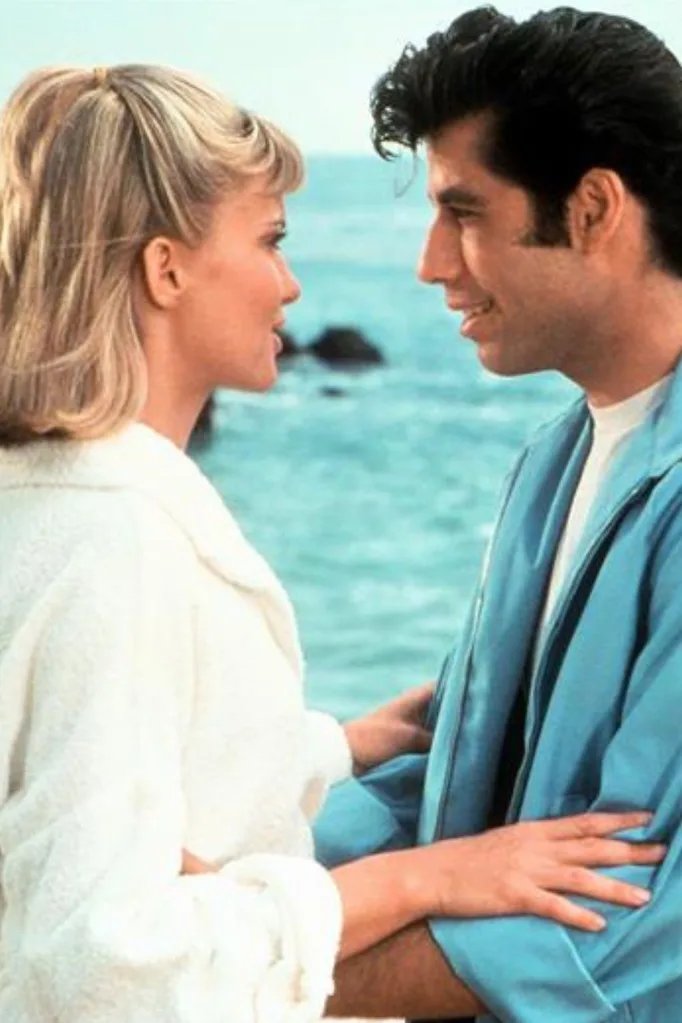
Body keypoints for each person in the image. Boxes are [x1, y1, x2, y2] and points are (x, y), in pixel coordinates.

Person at [0, 63, 662, 1023]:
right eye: (270, 240)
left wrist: (328, 753)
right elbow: (96, 962)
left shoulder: (50, 505)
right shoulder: (116, 536)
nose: (292, 280)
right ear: (165, 268)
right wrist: (426, 879)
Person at [314, 7, 682, 1022]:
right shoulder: (551, 464)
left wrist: (268, 972)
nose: (432, 264)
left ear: (594, 206)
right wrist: (225, 870)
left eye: (464, 213)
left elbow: (643, 919)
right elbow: (462, 784)